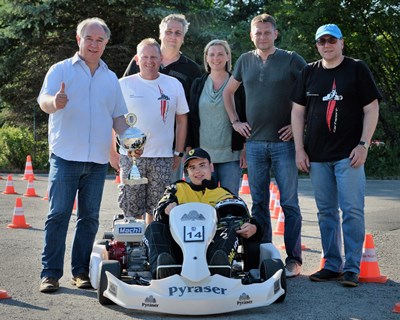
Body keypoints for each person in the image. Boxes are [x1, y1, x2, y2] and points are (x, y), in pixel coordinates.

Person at [37, 17, 129, 293]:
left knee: (89, 219)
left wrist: (134, 141)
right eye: (89, 38)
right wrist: (55, 102)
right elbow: (43, 101)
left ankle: (80, 273)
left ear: (105, 43)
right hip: (66, 156)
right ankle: (50, 274)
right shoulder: (60, 70)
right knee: (58, 215)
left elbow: (119, 119)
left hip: (98, 160)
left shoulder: (110, 78)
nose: (94, 44)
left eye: (100, 40)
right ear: (78, 40)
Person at [291, 24, 381, 287]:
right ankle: (332, 264)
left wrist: (363, 144)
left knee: (352, 210)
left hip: (348, 154)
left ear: (342, 42)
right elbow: (297, 112)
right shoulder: (309, 71)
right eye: (321, 41)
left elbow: (371, 108)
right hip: (317, 156)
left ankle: (352, 267)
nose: (327, 45)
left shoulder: (356, 68)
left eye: (332, 40)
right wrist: (299, 148)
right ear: (317, 45)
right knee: (326, 212)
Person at [223, 13, 306, 277]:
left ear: (275, 33)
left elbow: (309, 92)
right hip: (255, 144)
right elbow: (228, 92)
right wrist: (236, 121)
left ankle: (294, 259)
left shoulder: (291, 59)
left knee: (289, 203)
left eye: (267, 32)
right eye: (257, 33)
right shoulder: (244, 61)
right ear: (251, 35)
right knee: (258, 203)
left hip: (284, 144)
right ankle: (265, 254)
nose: (262, 36)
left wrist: (297, 128)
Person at [144, 148, 262, 279]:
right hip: (178, 249)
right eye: (192, 168)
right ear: (187, 172)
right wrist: (166, 208)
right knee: (154, 227)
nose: (198, 171)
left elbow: (246, 219)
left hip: (210, 249)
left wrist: (253, 227)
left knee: (230, 228)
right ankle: (164, 269)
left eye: (202, 165)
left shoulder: (224, 194)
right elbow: (159, 210)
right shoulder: (177, 189)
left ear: (211, 167)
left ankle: (219, 268)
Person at [123, 14, 202, 183]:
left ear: (183, 37)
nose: (173, 36)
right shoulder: (142, 60)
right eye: (168, 32)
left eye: (178, 33)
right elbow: (123, 101)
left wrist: (188, 144)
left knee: (166, 196)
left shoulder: (192, 69)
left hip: (172, 147)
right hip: (138, 146)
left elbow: (192, 111)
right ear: (160, 34)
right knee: (136, 195)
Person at [118, 38, 189, 225]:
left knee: (158, 208)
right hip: (131, 158)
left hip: (163, 157)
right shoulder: (123, 84)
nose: (149, 61)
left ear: (160, 59)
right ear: (137, 59)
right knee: (132, 208)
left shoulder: (174, 85)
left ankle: (152, 247)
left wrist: (178, 153)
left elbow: (182, 120)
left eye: (154, 57)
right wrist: (113, 153)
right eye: (145, 57)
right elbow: (113, 120)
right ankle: (134, 248)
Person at [187, 39, 246, 195]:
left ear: (228, 57)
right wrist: (190, 149)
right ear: (206, 58)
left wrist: (245, 149)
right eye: (211, 54)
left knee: (229, 201)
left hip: (231, 155)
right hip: (202, 157)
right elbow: (191, 118)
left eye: (220, 54)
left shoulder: (238, 84)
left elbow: (245, 116)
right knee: (203, 202)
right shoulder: (198, 84)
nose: (216, 58)